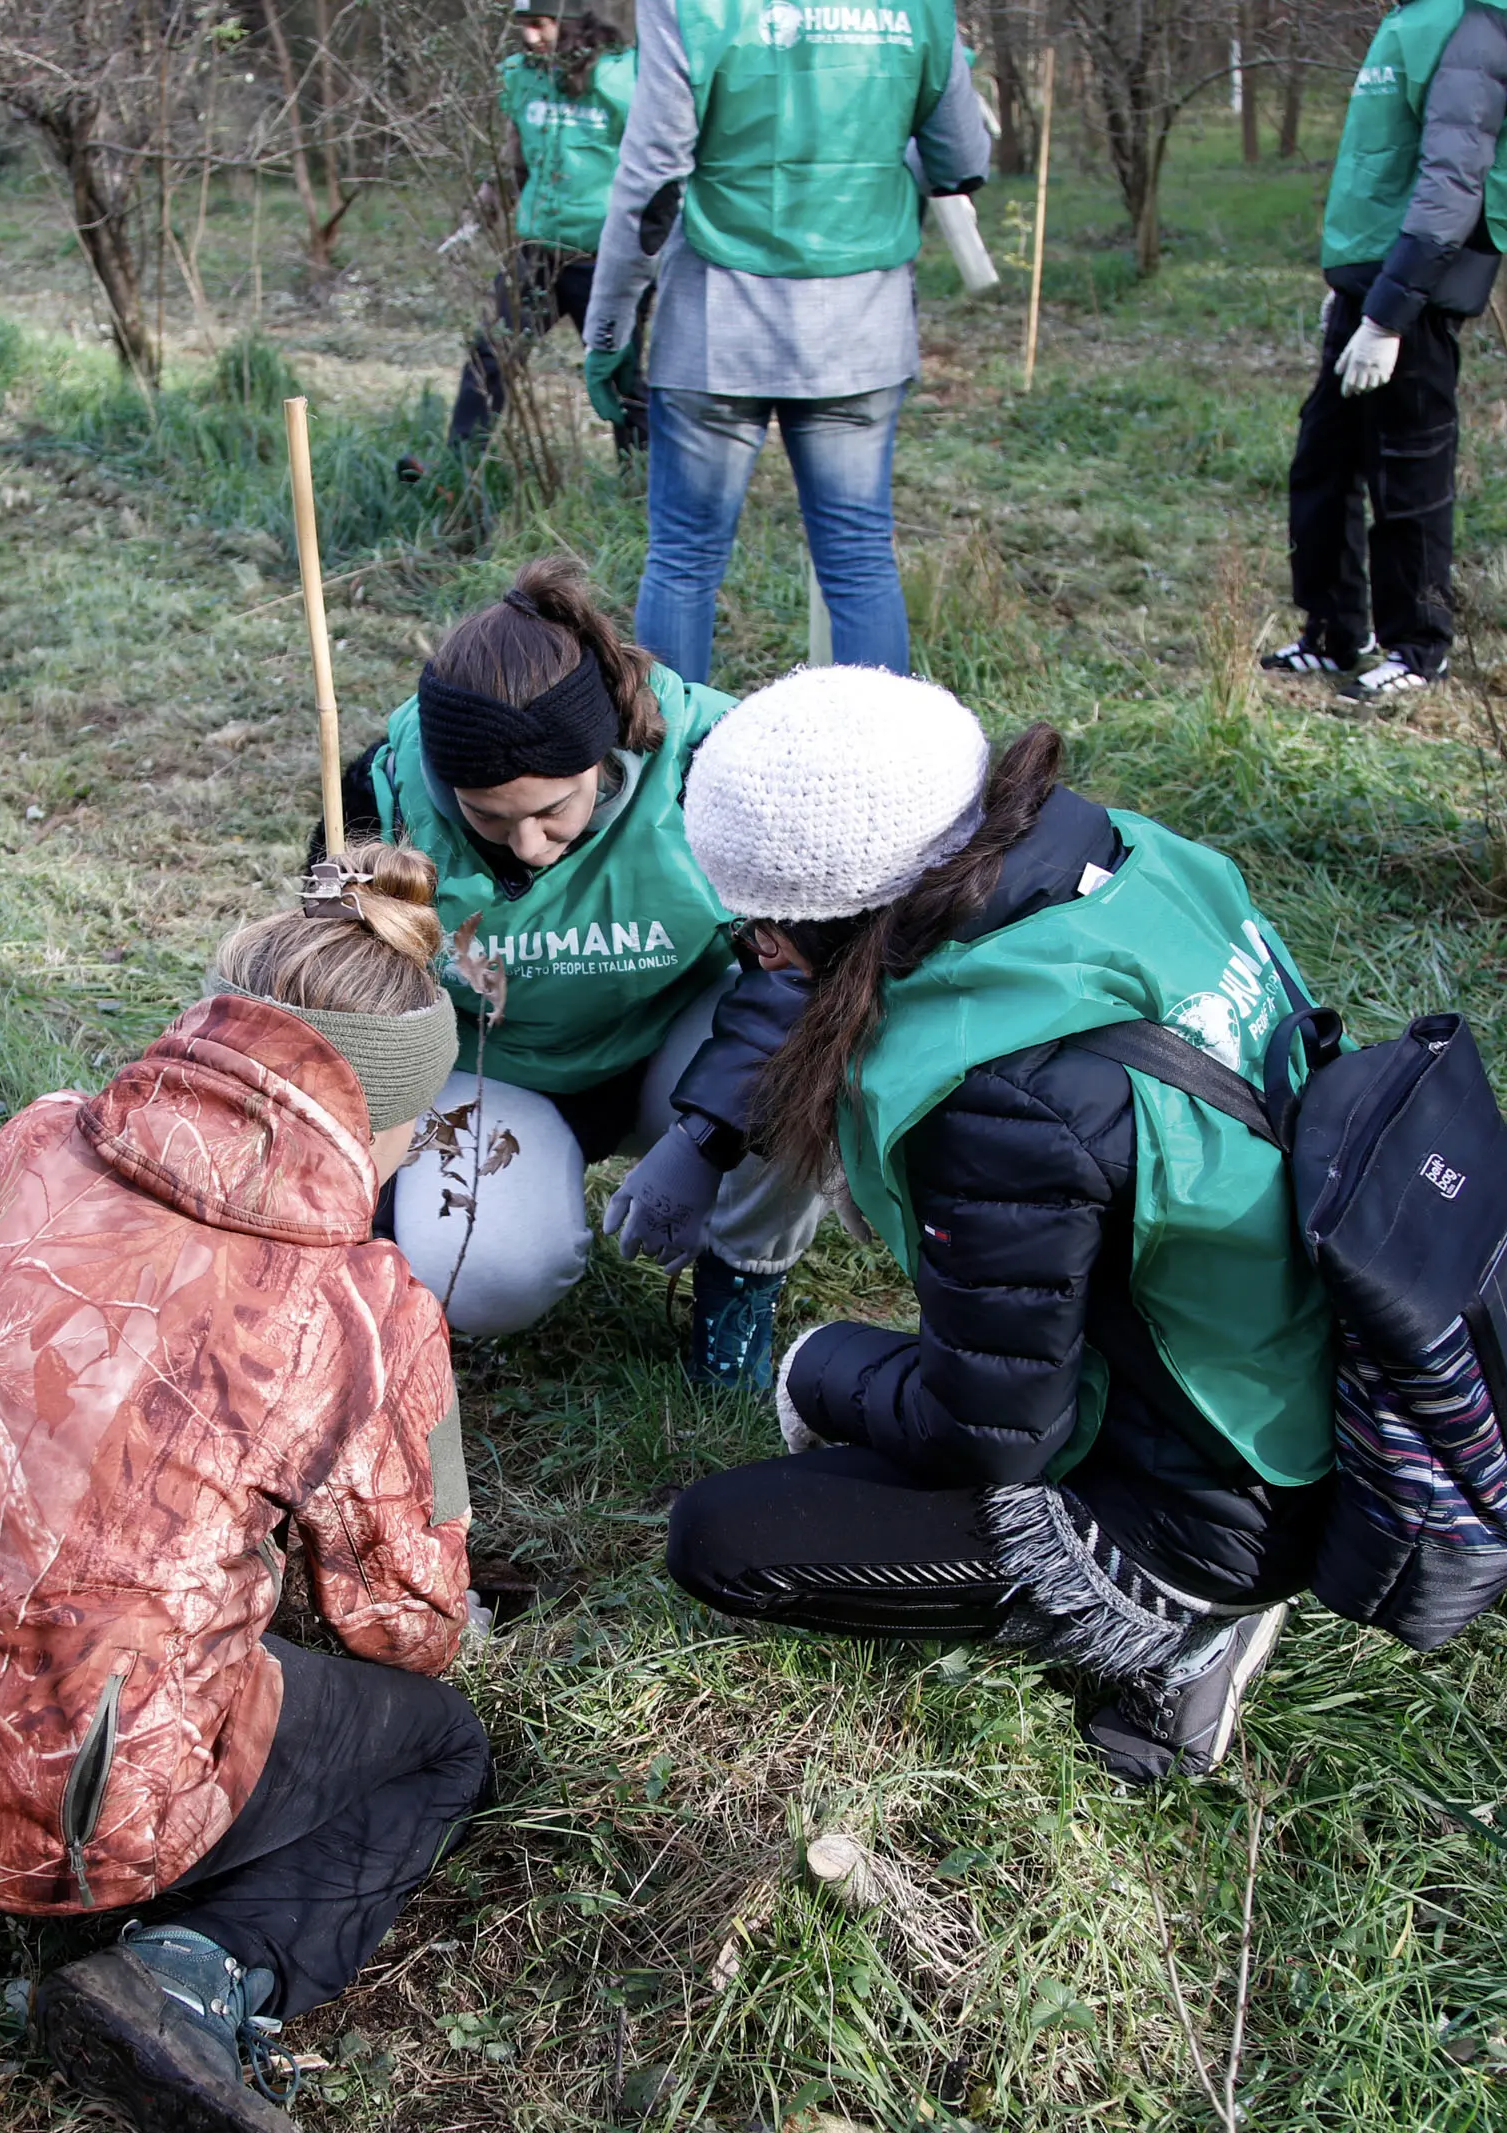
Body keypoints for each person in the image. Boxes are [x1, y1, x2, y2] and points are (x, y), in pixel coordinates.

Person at [0, 852, 484, 2133]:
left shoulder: (36, 1138)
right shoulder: (357, 1307)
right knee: (436, 1746)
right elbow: (408, 1627)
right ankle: (192, 1974)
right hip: (63, 1827)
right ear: (379, 1123)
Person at [656, 668, 1338, 1783]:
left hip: (1217, 1496)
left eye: (764, 937)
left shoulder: (994, 1091)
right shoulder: (1125, 863)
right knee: (826, 1371)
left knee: (724, 1539)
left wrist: (848, 1395)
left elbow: (996, 1441)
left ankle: (1187, 1624)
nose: (762, 959)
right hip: (1293, 1374)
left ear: (819, 925)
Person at [335, 557, 824, 1387]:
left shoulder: (720, 765)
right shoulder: (379, 796)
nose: (524, 845)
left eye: (550, 809)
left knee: (813, 1057)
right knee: (482, 1277)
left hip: (678, 1045)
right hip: (493, 1065)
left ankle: (740, 1274)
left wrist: (707, 1135)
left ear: (606, 754)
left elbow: (807, 976)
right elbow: (344, 1001)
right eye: (486, 817)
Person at [577, 0, 991, 684]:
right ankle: (881, 780)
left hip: (716, 329)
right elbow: (960, 162)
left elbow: (652, 178)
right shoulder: (920, 8)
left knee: (683, 560)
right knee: (858, 561)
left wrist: (608, 328)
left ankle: (674, 768)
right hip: (860, 329)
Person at [1265, 0, 1507, 702]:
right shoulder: (1413, 19)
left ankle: (1417, 649)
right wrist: (1353, 291)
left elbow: (1452, 177)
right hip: (1374, 285)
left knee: (1407, 478)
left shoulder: (1470, 26)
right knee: (1322, 464)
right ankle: (1334, 633)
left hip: (1414, 296)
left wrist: (1388, 315)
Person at [445, 6, 644, 460]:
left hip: (604, 258)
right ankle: (457, 471)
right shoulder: (525, 78)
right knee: (490, 356)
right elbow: (515, 161)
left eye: (541, 25)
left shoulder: (625, 78)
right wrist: (481, 213)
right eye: (524, 25)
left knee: (621, 375)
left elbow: (658, 163)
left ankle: (642, 486)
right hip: (537, 252)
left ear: (575, 22)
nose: (531, 37)